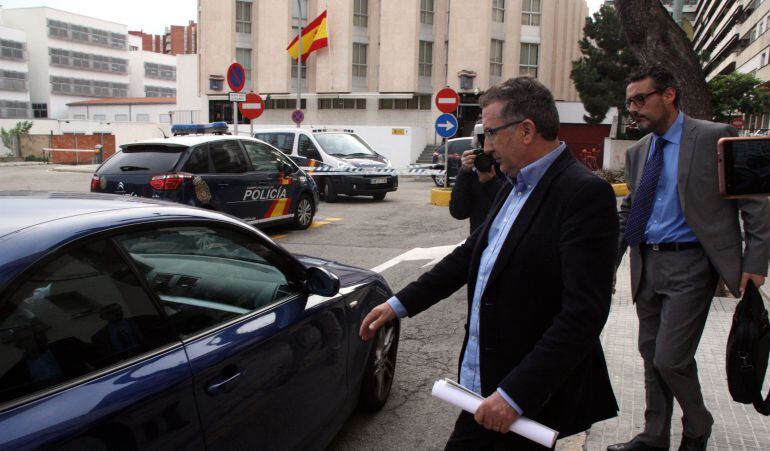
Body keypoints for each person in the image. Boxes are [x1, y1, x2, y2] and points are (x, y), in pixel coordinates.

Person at [360, 76, 619, 450]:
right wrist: (398, 305)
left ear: (526, 130)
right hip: (485, 388)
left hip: (525, 400)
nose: (487, 146)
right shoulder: (512, 186)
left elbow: (584, 314)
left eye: (492, 133)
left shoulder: (583, 195)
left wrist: (516, 395)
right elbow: (470, 255)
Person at [608, 65, 770, 451]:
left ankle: (698, 423)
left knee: (670, 358)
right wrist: (608, 264)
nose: (634, 109)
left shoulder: (715, 136)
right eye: (629, 102)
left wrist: (754, 264)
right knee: (652, 355)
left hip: (692, 265)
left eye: (640, 99)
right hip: (646, 264)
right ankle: (654, 435)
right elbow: (630, 211)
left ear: (669, 95)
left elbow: (755, 201)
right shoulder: (638, 151)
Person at [449, 122, 506, 233]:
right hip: (479, 239)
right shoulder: (476, 168)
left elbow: (511, 208)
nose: (487, 150)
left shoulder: (511, 168)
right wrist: (465, 172)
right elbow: (458, 212)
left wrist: (491, 182)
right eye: (481, 147)